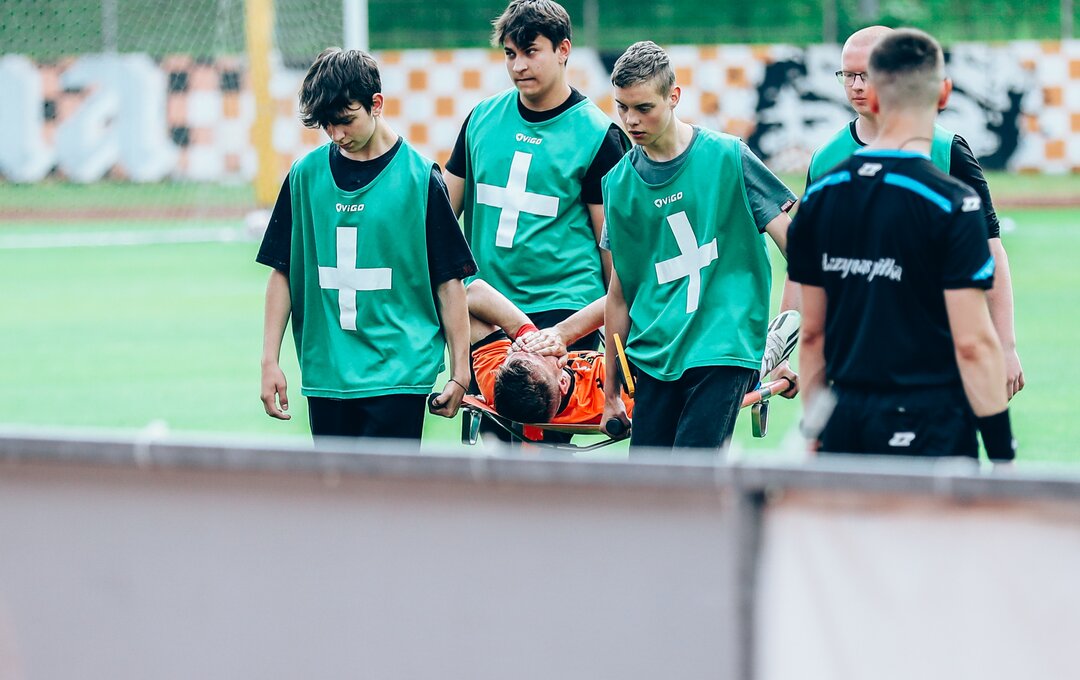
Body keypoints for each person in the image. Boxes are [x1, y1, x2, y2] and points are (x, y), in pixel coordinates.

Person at [788, 29, 1016, 463]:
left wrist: (815, 428)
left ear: (876, 95)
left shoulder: (822, 196)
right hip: (934, 413)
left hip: (847, 414)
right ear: (943, 92)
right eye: (848, 75)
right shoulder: (951, 202)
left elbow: (813, 335)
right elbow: (971, 343)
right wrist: (1002, 451)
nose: (856, 85)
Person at [256, 48, 476, 439]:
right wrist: (269, 361)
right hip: (327, 373)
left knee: (389, 482)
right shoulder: (304, 176)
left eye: (346, 121)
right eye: (327, 125)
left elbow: (449, 281)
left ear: (376, 104)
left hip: (400, 373)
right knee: (336, 482)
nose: (337, 135)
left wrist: (461, 371)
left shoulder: (420, 179)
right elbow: (283, 272)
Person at [599, 41, 797, 452]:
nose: (631, 120)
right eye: (622, 107)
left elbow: (798, 250)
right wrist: (611, 392)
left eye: (644, 108)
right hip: (654, 357)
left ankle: (767, 353)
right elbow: (619, 294)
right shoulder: (617, 184)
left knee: (693, 476)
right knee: (650, 484)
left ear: (673, 97)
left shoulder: (729, 156)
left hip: (723, 349)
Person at [443, 0, 628, 352]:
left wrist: (620, 343)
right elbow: (441, 217)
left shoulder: (598, 135)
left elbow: (614, 256)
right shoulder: (481, 119)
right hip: (486, 311)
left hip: (565, 314)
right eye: (510, 54)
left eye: (530, 51)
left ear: (563, 50)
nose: (519, 66)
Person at [465, 279, 796, 428]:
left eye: (519, 349)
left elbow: (474, 294)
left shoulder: (498, 384)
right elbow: (628, 297)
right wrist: (561, 334)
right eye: (540, 352)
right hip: (666, 366)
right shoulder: (613, 397)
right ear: (563, 383)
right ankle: (763, 360)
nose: (538, 345)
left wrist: (527, 335)